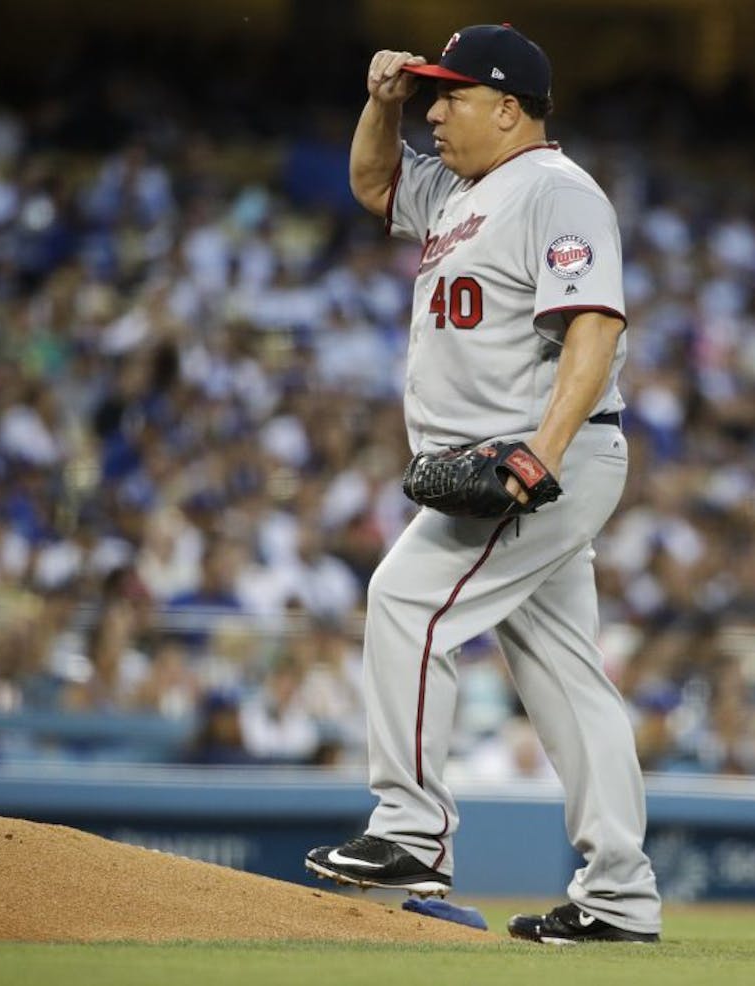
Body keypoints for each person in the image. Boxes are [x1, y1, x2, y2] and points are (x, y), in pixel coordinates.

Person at [304, 24, 661, 944]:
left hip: (536, 464)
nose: (433, 111)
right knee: (565, 676)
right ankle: (619, 896)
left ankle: (412, 832)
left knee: (406, 600)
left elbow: (594, 329)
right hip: (504, 464)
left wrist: (538, 455)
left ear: (509, 110)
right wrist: (378, 105)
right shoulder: (465, 193)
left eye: (449, 97)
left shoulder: (555, 190)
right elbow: (374, 184)